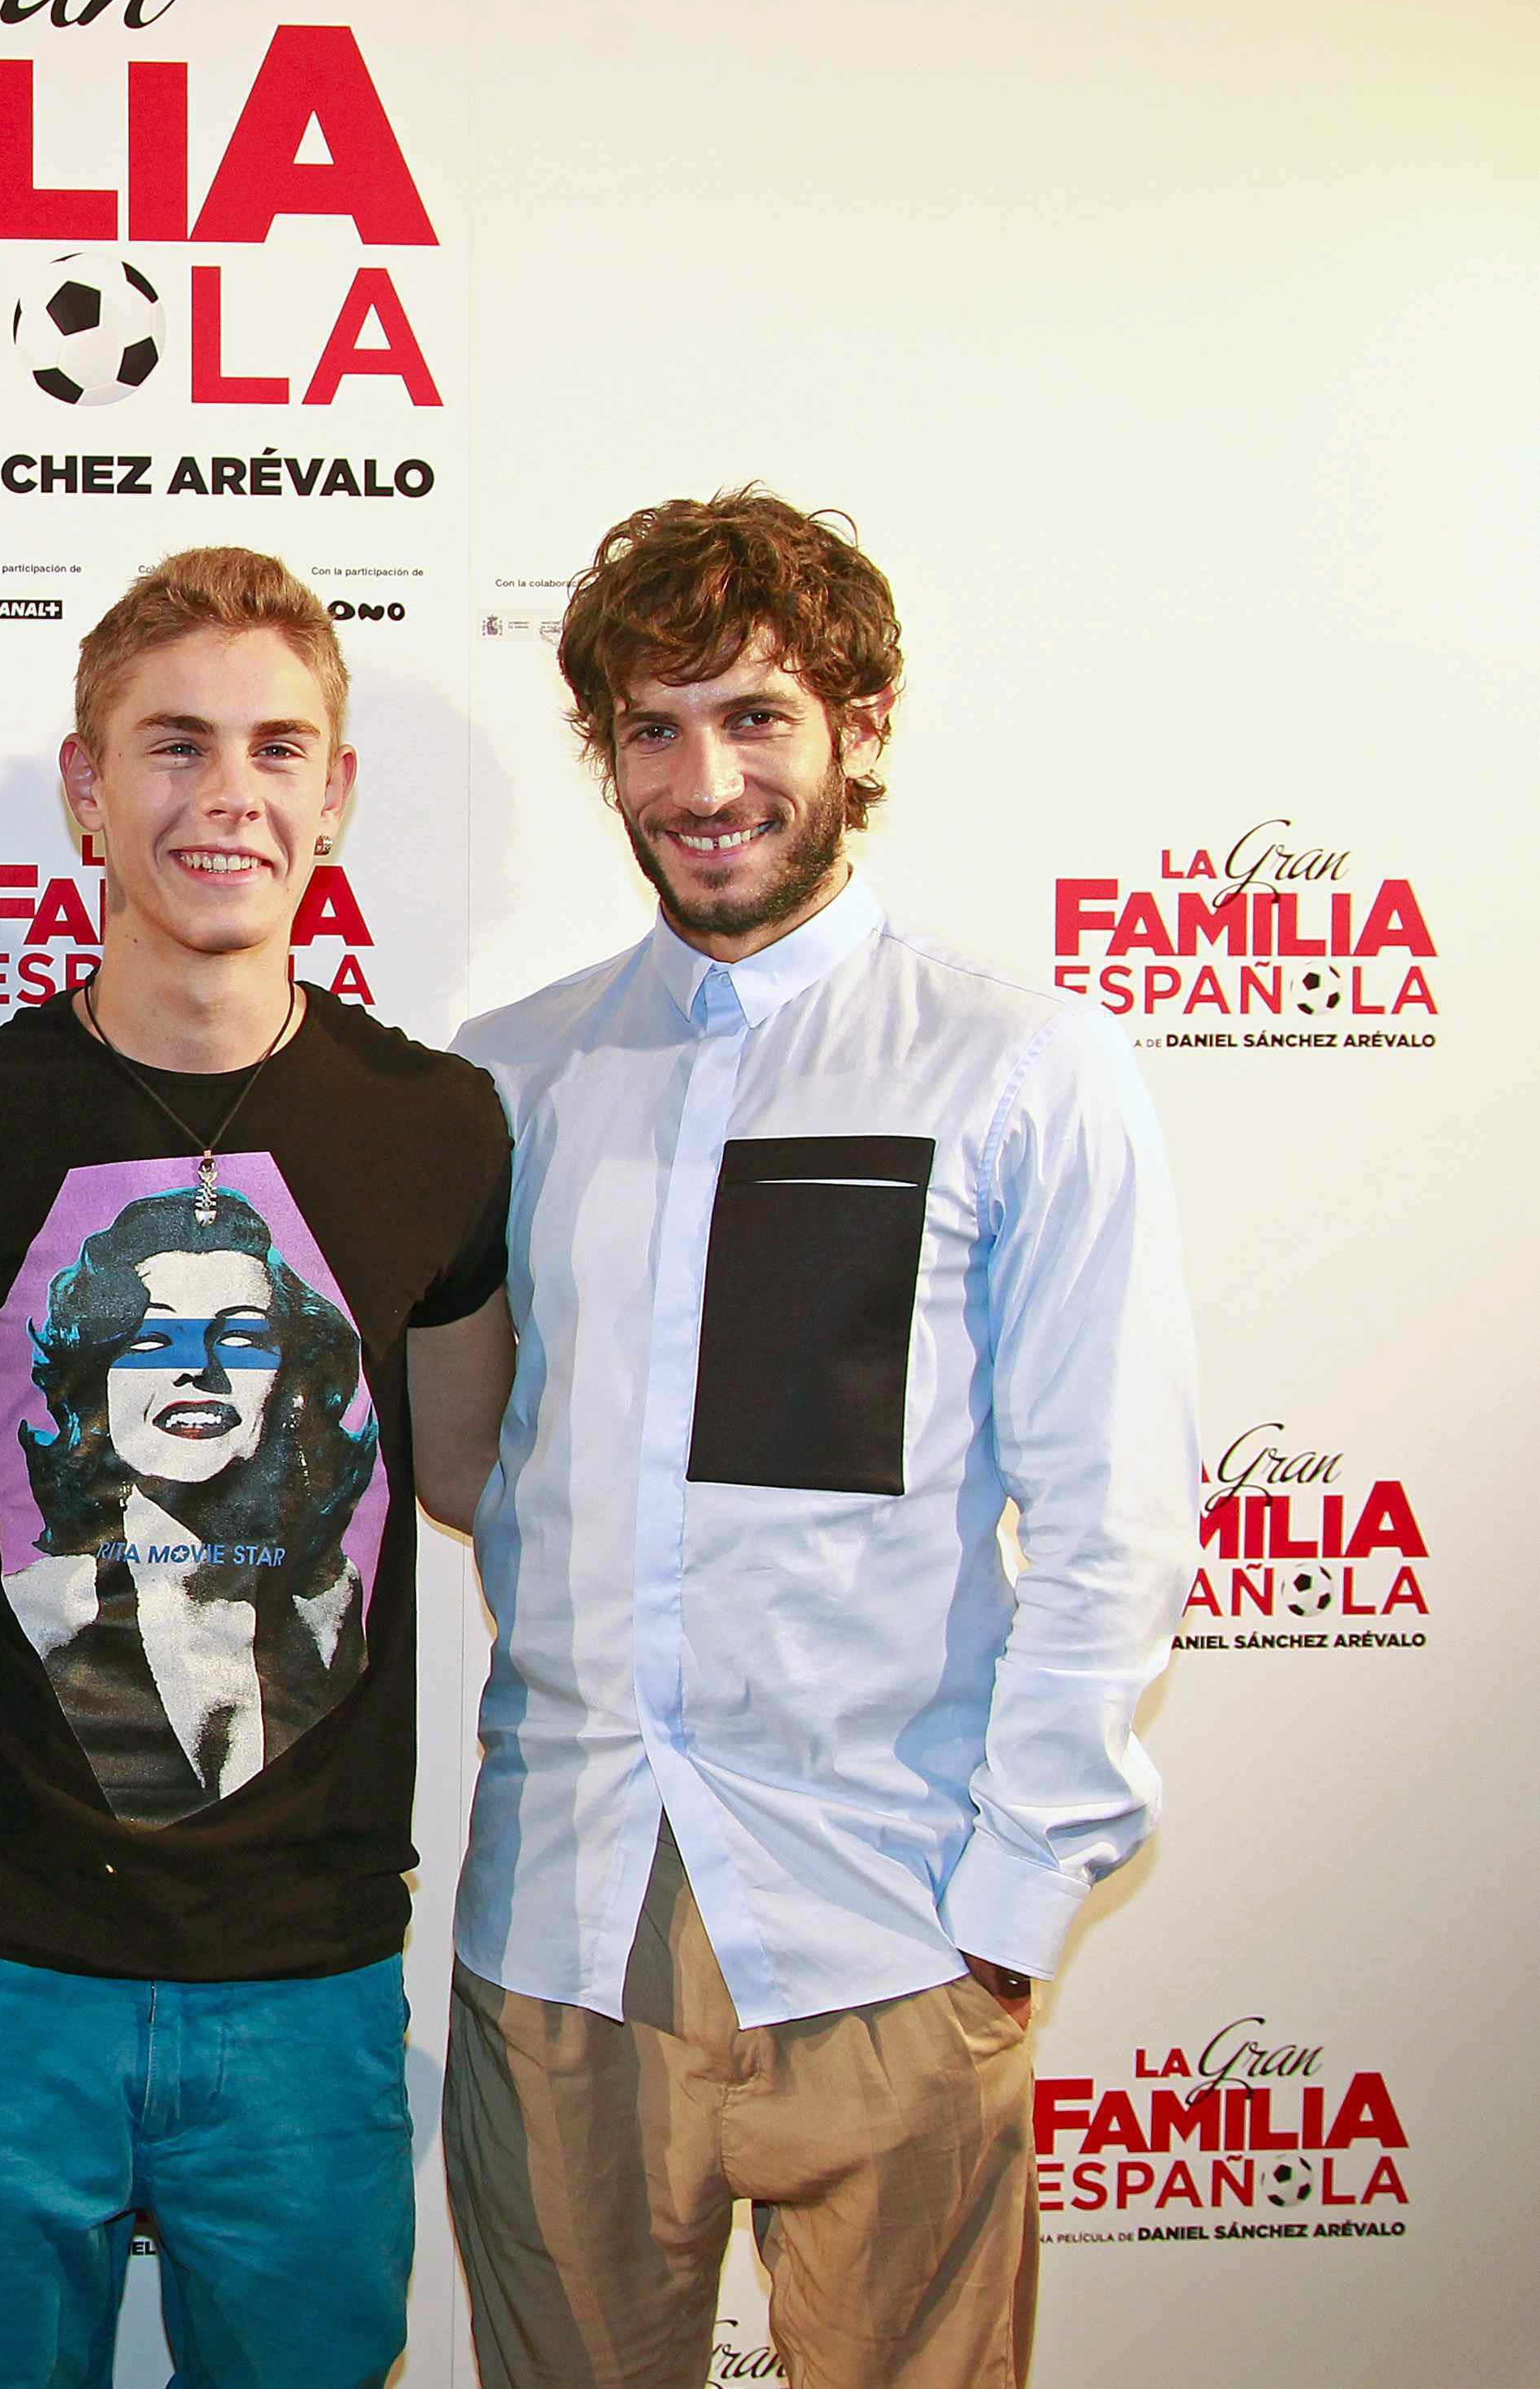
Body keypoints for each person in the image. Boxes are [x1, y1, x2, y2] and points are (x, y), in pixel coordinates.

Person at [429, 491, 1196, 2387]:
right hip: (565, 1935)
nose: (707, 784)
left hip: (897, 1926)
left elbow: (1114, 1513)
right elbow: (443, 1448)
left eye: (757, 717)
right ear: (609, 752)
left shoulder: (1020, 1065)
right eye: (657, 728)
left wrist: (1019, 1899)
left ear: (860, 726)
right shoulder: (508, 1074)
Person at [0, 546, 511, 2389]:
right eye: (173, 745)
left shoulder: (438, 1128)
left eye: (276, 748)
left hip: (308, 1983)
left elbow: (474, 1472)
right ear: (87, 790)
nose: (225, 794)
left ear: (335, 794)